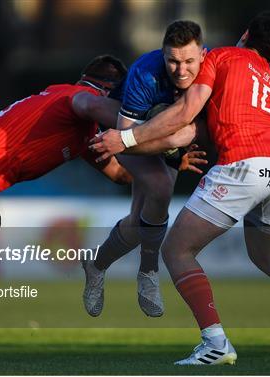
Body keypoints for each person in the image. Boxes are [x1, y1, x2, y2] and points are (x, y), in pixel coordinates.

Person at [92, 11, 270, 365]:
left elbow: (185, 112)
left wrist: (127, 138)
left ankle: (216, 343)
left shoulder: (222, 56)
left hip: (245, 166)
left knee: (177, 250)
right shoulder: (269, 78)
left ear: (243, 35)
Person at [0, 55, 202, 348]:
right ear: (108, 93)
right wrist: (155, 121)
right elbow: (91, 105)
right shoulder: (78, 98)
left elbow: (121, 175)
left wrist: (168, 158)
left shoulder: (82, 129)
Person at [81, 20, 207, 318]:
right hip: (126, 135)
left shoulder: (214, 65)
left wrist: (176, 148)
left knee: (140, 222)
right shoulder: (144, 72)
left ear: (202, 54)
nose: (181, 70)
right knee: (161, 188)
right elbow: (126, 138)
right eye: (173, 61)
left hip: (161, 138)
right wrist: (174, 147)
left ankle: (96, 264)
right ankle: (148, 271)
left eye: (189, 61)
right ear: (162, 54)